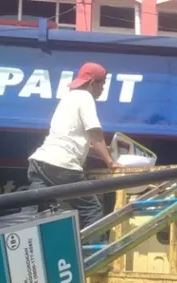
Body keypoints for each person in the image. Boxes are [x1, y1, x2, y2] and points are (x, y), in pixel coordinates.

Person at [26, 62, 121, 239]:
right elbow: (95, 134)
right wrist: (110, 161)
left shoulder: (68, 98)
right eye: (103, 84)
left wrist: (101, 152)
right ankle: (97, 258)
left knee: (37, 212)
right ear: (93, 83)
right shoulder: (85, 97)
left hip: (39, 162)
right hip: (62, 166)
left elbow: (78, 140)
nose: (102, 89)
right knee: (92, 208)